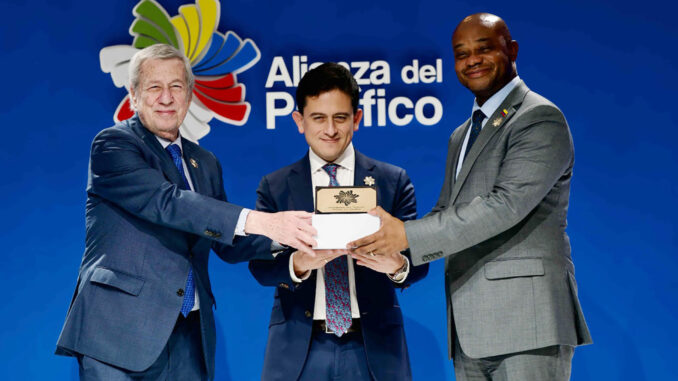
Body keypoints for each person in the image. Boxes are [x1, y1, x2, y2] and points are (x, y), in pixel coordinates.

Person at [349, 13, 592, 381]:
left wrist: (406, 235)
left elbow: (504, 206)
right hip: (470, 330)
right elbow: (447, 211)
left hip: (528, 326)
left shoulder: (539, 118)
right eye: (461, 54)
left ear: (511, 50)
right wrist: (397, 256)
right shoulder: (462, 135)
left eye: (484, 49)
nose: (472, 60)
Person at [55, 44, 317, 381]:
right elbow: (167, 202)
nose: (166, 98)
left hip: (189, 336)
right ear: (134, 96)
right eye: (154, 87)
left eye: (176, 87)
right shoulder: (113, 145)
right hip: (117, 335)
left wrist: (301, 240)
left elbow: (228, 240)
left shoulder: (205, 162)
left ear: (189, 96)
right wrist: (264, 220)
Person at [248, 63, 428, 381]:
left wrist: (396, 265)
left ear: (356, 119)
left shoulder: (392, 181)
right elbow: (260, 265)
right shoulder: (274, 186)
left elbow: (420, 263)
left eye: (340, 117)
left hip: (374, 349)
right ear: (299, 121)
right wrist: (299, 264)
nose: (330, 130)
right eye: (318, 118)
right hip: (299, 350)